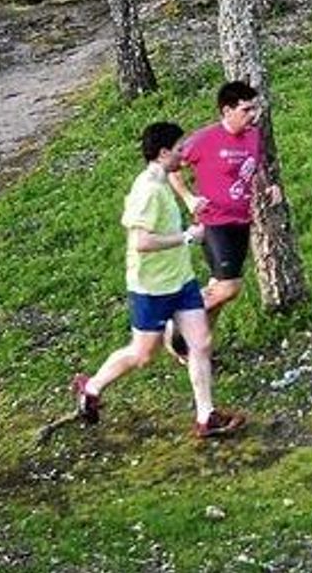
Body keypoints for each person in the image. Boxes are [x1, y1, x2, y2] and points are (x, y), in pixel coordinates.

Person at [70, 121, 246, 439]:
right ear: (163, 153)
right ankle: (91, 387)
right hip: (151, 288)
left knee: (201, 343)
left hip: (181, 281)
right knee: (142, 355)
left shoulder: (162, 181)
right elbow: (141, 242)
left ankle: (206, 416)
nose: (184, 154)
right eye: (179, 149)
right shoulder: (148, 190)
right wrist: (187, 237)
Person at [165, 80, 281, 361]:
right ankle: (177, 317)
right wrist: (189, 198)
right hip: (215, 222)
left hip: (241, 220)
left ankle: (197, 348)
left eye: (254, 108)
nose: (253, 115)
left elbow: (255, 167)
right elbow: (171, 167)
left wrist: (269, 186)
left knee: (219, 289)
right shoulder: (205, 139)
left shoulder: (253, 136)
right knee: (230, 287)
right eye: (246, 110)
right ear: (227, 111)